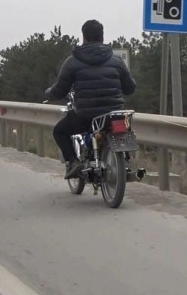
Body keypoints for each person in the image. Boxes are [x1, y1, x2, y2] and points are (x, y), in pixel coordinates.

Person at [45, 19, 136, 179]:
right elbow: (130, 88)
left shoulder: (73, 61)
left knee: (59, 131)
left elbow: (59, 90)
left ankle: (73, 162)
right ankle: (124, 162)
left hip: (86, 115)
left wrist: (49, 93)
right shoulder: (116, 60)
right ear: (102, 37)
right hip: (114, 113)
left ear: (84, 37)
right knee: (121, 127)